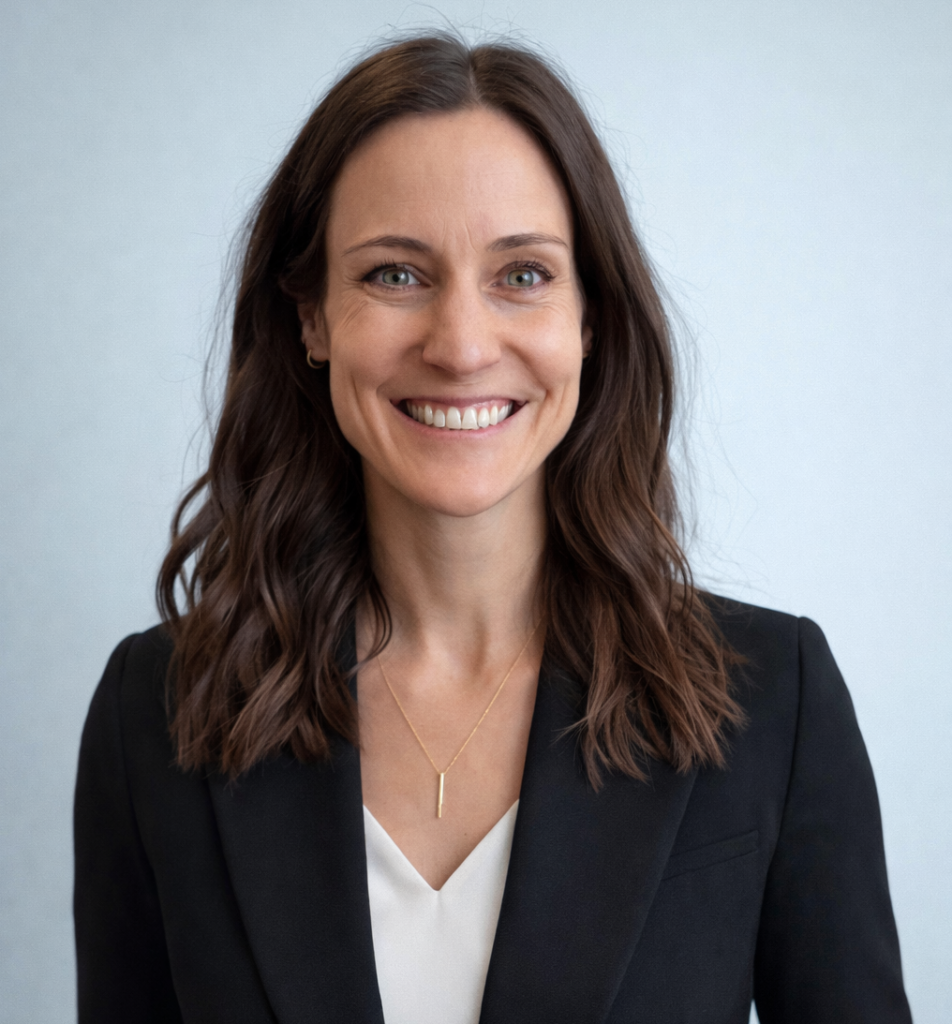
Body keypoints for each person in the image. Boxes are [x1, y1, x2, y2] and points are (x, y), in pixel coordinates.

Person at [73, 34, 912, 1024]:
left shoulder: (775, 699)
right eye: (394, 274)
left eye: (522, 275)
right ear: (311, 317)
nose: (462, 345)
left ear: (590, 317)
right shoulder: (156, 712)